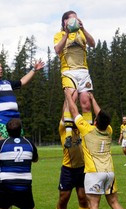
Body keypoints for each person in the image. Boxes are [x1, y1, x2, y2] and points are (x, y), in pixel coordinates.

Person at [64, 88, 125, 209]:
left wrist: (69, 96)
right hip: (109, 172)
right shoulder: (109, 130)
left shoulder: (87, 130)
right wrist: (92, 99)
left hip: (94, 172)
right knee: (114, 202)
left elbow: (74, 111)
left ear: (95, 122)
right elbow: (102, 116)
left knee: (93, 204)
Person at [54, 10, 95, 148]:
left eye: (77, 19)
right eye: (72, 19)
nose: (75, 22)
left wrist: (83, 28)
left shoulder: (81, 33)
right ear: (65, 21)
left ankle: (86, 135)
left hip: (83, 71)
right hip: (68, 71)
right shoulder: (59, 35)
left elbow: (93, 44)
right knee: (72, 97)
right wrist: (66, 33)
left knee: (86, 103)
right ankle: (69, 134)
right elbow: (57, 50)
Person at [0, 118, 38, 209]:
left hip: (5, 185)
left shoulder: (2, 144)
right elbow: (35, 159)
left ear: (7, 131)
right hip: (24, 186)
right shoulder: (29, 143)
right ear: (20, 129)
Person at [0, 60, 45, 139]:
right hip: (1, 119)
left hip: (15, 120)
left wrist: (34, 70)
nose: (1, 68)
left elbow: (22, 82)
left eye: (1, 66)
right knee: (4, 145)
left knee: (20, 143)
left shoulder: (7, 83)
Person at [56, 114, 88, 209]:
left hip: (82, 169)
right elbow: (65, 112)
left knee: (83, 199)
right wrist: (69, 98)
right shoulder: (64, 130)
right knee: (63, 199)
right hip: (68, 170)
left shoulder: (82, 130)